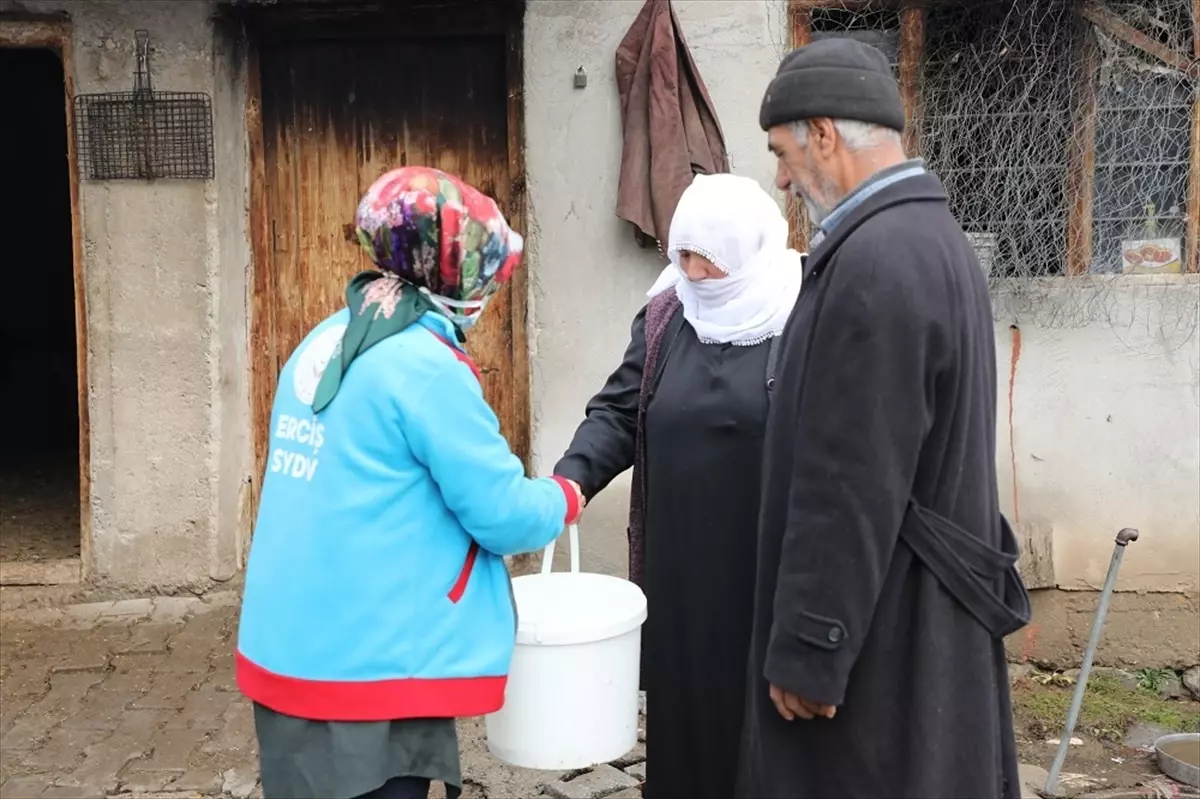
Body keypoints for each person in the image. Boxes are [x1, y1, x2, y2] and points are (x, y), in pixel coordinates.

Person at [738, 39, 1032, 798]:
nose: (778, 175)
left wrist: (811, 647)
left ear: (824, 135)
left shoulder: (877, 262)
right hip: (913, 622)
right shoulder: (931, 240)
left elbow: (850, 479)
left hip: (886, 643)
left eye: (781, 150)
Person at [235, 166, 585, 799]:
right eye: (486, 275)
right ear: (452, 273)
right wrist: (564, 496)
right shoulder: (425, 366)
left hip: (289, 643)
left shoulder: (329, 337)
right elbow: (501, 512)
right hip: (370, 665)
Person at [553, 173, 803, 799]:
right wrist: (572, 479)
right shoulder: (668, 315)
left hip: (765, 571)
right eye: (679, 253)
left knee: (765, 728)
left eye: (703, 257)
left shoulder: (804, 316)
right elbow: (616, 410)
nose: (686, 269)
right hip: (680, 573)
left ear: (743, 252)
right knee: (684, 724)